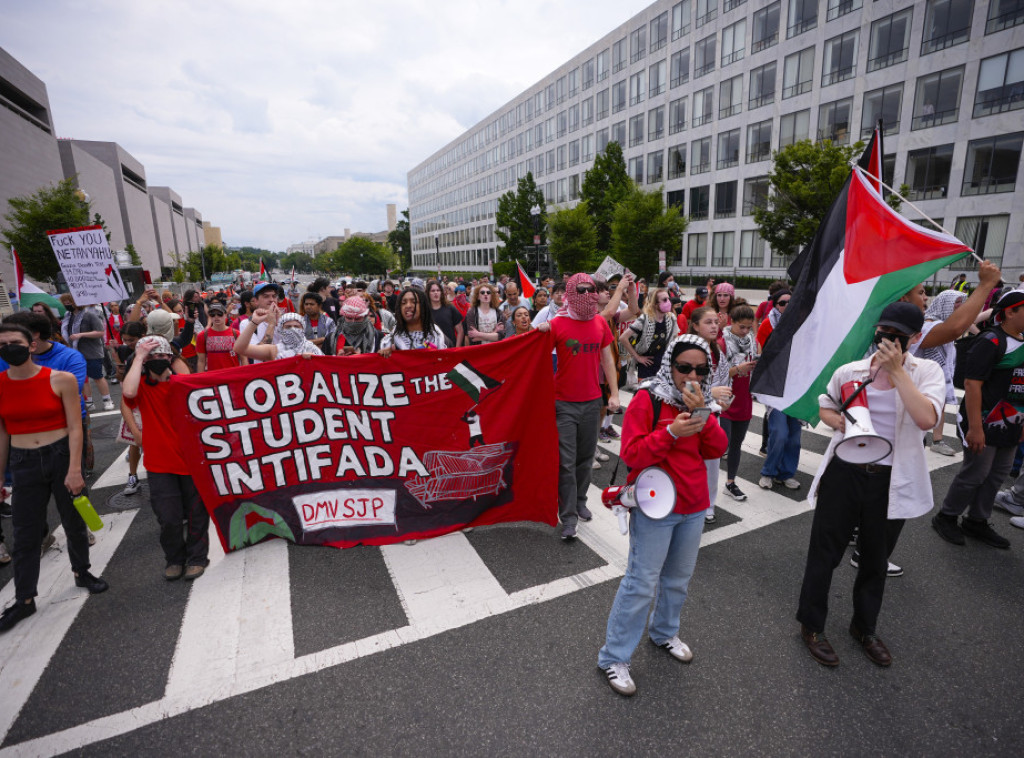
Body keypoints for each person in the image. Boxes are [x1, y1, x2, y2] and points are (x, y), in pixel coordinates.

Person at [797, 303, 943, 667]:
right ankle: (812, 625)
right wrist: (844, 425)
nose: (886, 340)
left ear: (914, 338)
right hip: (845, 471)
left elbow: (926, 418)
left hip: (890, 478)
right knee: (824, 553)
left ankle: (865, 628)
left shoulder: (926, 371)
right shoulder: (851, 370)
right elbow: (827, 407)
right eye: (882, 332)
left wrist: (898, 373)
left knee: (875, 560)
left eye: (896, 335)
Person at [597, 334, 728, 696]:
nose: (692, 376)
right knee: (641, 583)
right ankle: (613, 657)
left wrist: (704, 414)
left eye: (701, 370)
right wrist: (670, 432)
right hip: (656, 506)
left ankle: (664, 632)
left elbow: (717, 448)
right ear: (670, 364)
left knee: (677, 579)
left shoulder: (700, 401)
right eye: (684, 367)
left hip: (693, 504)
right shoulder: (647, 399)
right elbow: (633, 455)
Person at [0, 323, 108, 632]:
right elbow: (2, 433)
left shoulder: (60, 379)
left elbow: (76, 427)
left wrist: (75, 469)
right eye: (3, 344)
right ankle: (24, 599)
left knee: (74, 521)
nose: (9, 348)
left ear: (31, 345)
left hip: (61, 456)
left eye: (15, 342)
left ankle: (82, 572)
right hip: (23, 462)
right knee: (25, 532)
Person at [932, 288, 1024, 550]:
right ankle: (946, 516)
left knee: (998, 474)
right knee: (976, 472)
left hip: (1013, 424)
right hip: (983, 421)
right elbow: (973, 386)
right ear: (1010, 311)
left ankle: (977, 521)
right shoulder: (991, 341)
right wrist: (975, 427)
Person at [536, 273, 620, 540]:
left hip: (592, 402)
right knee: (566, 463)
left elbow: (607, 360)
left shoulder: (599, 323)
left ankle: (581, 501)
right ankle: (568, 516)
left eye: (590, 290)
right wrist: (539, 331)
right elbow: (533, 357)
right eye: (580, 290)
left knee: (585, 460)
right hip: (563, 404)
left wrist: (614, 394)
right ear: (571, 293)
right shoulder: (557, 323)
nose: (586, 295)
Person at [122, 336, 209, 581]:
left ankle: (197, 558)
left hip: (190, 460)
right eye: (153, 357)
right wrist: (139, 356)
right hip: (160, 463)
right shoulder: (139, 386)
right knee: (168, 517)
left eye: (163, 356)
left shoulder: (183, 384)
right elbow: (127, 393)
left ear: (171, 358)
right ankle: (174, 559)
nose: (158, 360)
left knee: (196, 514)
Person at [688, 307, 734, 522]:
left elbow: (725, 381)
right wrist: (709, 393)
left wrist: (723, 400)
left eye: (716, 322)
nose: (715, 326)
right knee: (687, 459)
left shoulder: (717, 351)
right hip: (686, 415)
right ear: (695, 325)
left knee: (712, 462)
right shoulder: (683, 348)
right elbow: (678, 386)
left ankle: (708, 505)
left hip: (712, 415)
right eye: (708, 322)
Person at [719, 304, 759, 504]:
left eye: (748, 327)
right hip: (724, 398)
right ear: (731, 323)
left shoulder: (752, 340)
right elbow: (713, 376)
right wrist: (737, 369)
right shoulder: (721, 343)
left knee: (736, 444)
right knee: (721, 444)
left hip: (744, 398)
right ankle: (702, 482)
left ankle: (730, 482)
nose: (745, 332)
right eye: (741, 327)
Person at [61, 295, 115, 412]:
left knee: (97, 376)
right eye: (64, 302)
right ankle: (89, 401)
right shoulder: (68, 317)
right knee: (83, 378)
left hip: (91, 351)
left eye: (68, 301)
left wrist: (81, 335)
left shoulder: (90, 315)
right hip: (75, 352)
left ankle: (107, 400)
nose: (66, 304)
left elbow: (100, 332)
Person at [619, 287, 678, 383]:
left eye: (668, 299)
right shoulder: (644, 319)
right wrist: (638, 357)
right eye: (664, 300)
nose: (668, 302)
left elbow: (675, 339)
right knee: (646, 395)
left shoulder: (671, 319)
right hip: (646, 366)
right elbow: (623, 338)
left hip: (664, 365)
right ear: (655, 304)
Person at [235, 308, 322, 362]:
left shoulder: (313, 349)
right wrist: (254, 322)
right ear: (281, 330)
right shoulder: (274, 350)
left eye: (296, 327)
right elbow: (240, 348)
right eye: (288, 327)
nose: (293, 329)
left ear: (303, 329)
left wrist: (314, 359)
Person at [380, 288, 447, 353]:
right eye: (403, 303)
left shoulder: (437, 336)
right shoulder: (390, 340)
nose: (408, 305)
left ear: (423, 306)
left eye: (414, 302)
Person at [195, 300, 244, 372]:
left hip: (233, 377)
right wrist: (200, 380)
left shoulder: (236, 334)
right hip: (213, 378)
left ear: (225, 315)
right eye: (212, 314)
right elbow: (201, 361)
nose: (216, 317)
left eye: (219, 314)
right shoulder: (202, 336)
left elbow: (243, 359)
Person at [426, 279, 464, 347]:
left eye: (438, 290)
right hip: (431, 349)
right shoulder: (424, 310)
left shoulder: (450, 308)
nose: (436, 293)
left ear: (441, 292)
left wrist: (457, 348)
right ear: (428, 293)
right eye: (433, 291)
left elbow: (460, 331)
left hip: (450, 348)